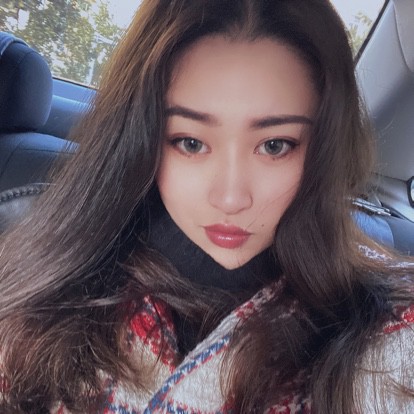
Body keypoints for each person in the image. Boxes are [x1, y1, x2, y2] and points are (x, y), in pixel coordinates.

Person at [1, 0, 414, 413]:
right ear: (142, 139)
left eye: (275, 146)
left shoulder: (387, 338)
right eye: (191, 143)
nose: (231, 198)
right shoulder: (41, 291)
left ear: (324, 149)